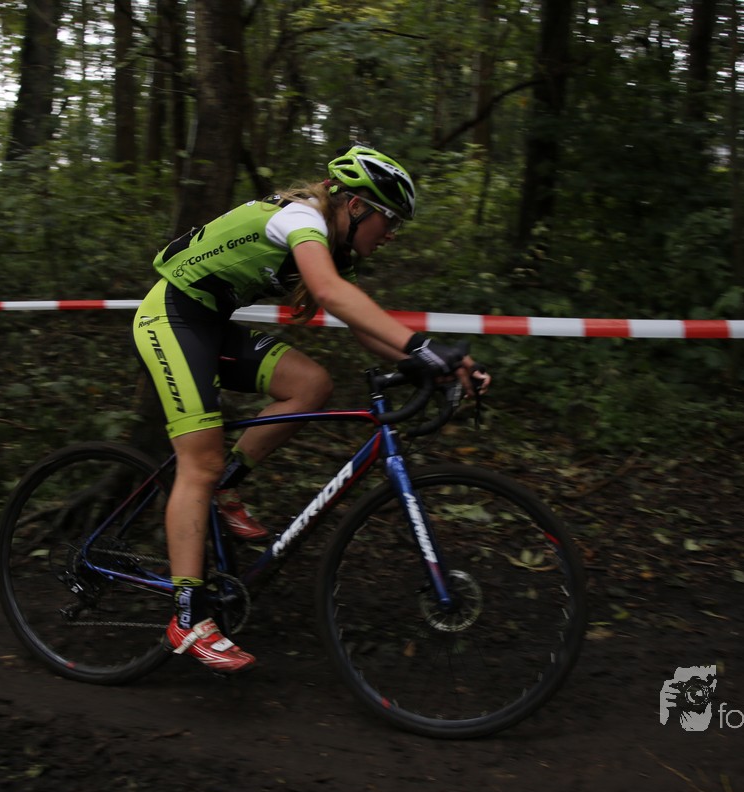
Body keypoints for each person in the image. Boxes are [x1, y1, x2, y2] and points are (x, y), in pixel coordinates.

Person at [132, 145, 488, 673]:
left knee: (311, 384)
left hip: (210, 325)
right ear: (355, 206)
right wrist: (421, 346)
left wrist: (432, 366)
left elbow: (361, 324)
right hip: (170, 318)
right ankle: (187, 617)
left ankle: (226, 485)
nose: (391, 235)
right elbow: (329, 292)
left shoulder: (329, 242)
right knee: (199, 462)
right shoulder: (300, 219)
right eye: (389, 220)